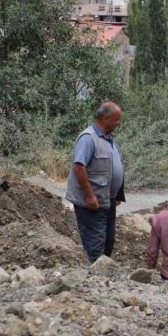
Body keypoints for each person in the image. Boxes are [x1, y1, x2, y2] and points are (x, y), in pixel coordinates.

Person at [65, 102, 125, 263]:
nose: (119, 123)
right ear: (106, 118)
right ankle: (96, 280)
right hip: (93, 203)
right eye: (117, 119)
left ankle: (103, 278)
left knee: (108, 242)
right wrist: (90, 195)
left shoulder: (108, 138)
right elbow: (79, 166)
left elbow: (111, 167)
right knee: (96, 247)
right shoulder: (88, 138)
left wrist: (116, 194)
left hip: (107, 201)